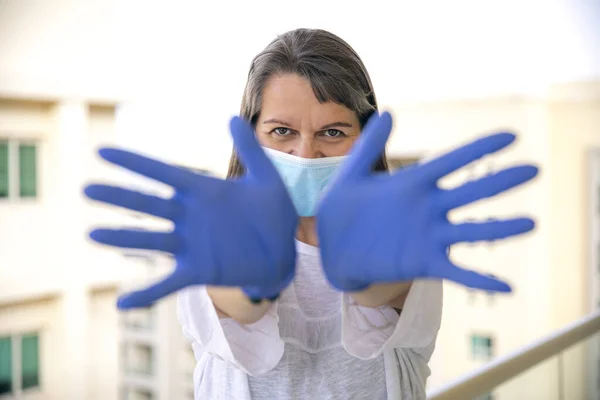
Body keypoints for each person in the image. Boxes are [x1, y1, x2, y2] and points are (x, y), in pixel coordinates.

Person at [85, 28, 538, 399]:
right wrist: (252, 284)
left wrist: (361, 274)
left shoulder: (397, 237)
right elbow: (235, 305)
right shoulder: (221, 234)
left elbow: (386, 288)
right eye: (281, 130)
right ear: (250, 133)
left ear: (365, 137)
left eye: (333, 132)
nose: (306, 152)